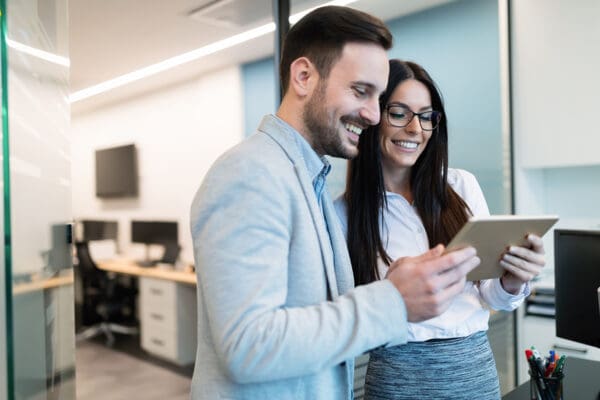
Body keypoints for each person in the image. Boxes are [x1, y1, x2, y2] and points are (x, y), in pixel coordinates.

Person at [189, 7, 480, 400]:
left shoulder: (309, 183)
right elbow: (247, 346)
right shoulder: (250, 174)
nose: (373, 114)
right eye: (361, 92)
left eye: (379, 98)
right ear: (304, 77)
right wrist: (393, 300)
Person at [334, 59, 546, 399]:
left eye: (426, 116)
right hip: (397, 377)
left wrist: (512, 280)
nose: (415, 129)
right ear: (374, 117)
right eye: (399, 113)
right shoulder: (343, 214)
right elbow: (346, 321)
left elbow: (489, 296)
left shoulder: (461, 186)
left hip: (473, 368)